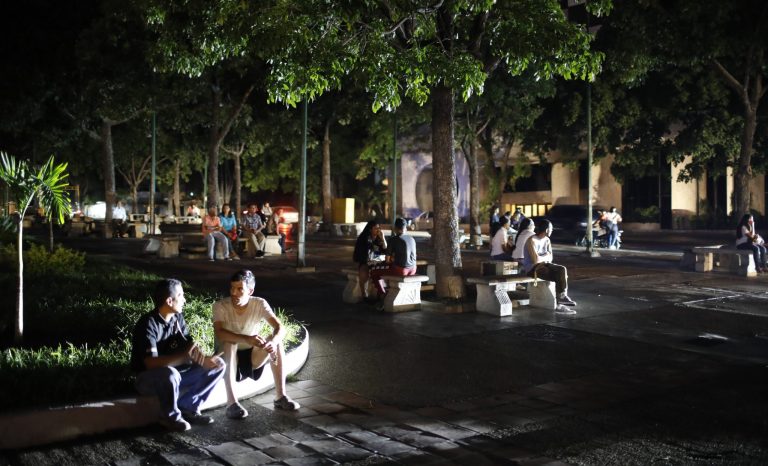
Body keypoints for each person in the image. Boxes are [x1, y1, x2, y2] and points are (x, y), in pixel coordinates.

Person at [130, 279, 226, 432]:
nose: (184, 299)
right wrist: (183, 358)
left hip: (176, 377)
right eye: (181, 295)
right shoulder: (148, 324)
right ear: (169, 300)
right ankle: (169, 417)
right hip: (149, 381)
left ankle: (188, 408)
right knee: (170, 373)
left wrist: (204, 359)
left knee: (219, 364)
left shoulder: (177, 318)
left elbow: (188, 345)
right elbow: (150, 364)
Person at [213, 269, 300, 419]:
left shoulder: (259, 303)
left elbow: (280, 327)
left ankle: (281, 396)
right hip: (226, 357)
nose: (234, 293)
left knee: (275, 342)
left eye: (240, 289)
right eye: (232, 288)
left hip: (252, 356)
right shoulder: (220, 306)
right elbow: (219, 333)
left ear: (250, 290)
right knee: (230, 343)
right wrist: (246, 338)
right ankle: (231, 404)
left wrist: (272, 341)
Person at [522, 218, 576, 307]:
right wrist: (545, 255)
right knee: (555, 275)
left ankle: (562, 296)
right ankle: (558, 297)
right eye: (551, 229)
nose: (552, 231)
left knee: (562, 269)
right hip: (532, 268)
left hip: (545, 264)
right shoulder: (531, 240)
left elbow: (550, 258)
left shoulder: (547, 240)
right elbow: (535, 260)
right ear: (547, 230)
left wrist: (541, 257)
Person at [369, 218, 417, 299]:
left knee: (374, 272)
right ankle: (387, 291)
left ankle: (382, 293)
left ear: (395, 228)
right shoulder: (412, 239)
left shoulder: (393, 240)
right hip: (413, 269)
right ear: (405, 228)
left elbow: (387, 260)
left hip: (401, 270)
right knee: (389, 270)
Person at [352, 220, 387, 300]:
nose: (378, 230)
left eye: (378, 228)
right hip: (365, 261)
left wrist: (383, 238)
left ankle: (381, 292)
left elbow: (386, 250)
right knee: (364, 271)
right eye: (375, 228)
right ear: (370, 229)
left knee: (383, 271)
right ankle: (364, 293)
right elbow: (362, 254)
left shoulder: (379, 238)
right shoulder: (364, 238)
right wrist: (370, 260)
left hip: (378, 261)